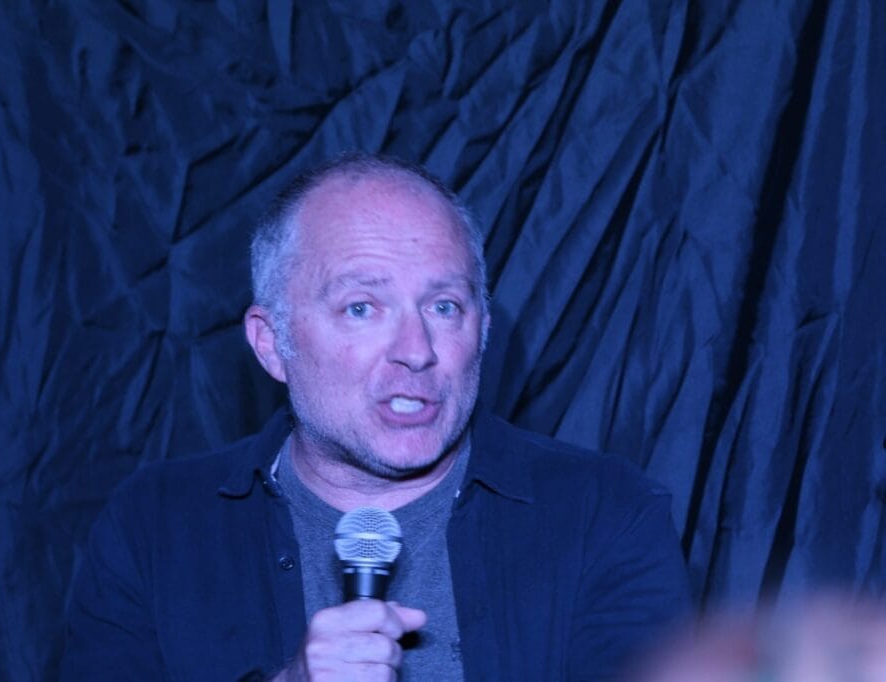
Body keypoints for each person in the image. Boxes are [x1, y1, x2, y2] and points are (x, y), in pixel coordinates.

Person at [61, 153, 692, 680]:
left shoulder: (605, 514)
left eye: (444, 306)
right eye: (362, 308)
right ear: (272, 343)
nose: (416, 350)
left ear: (483, 329)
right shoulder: (154, 528)